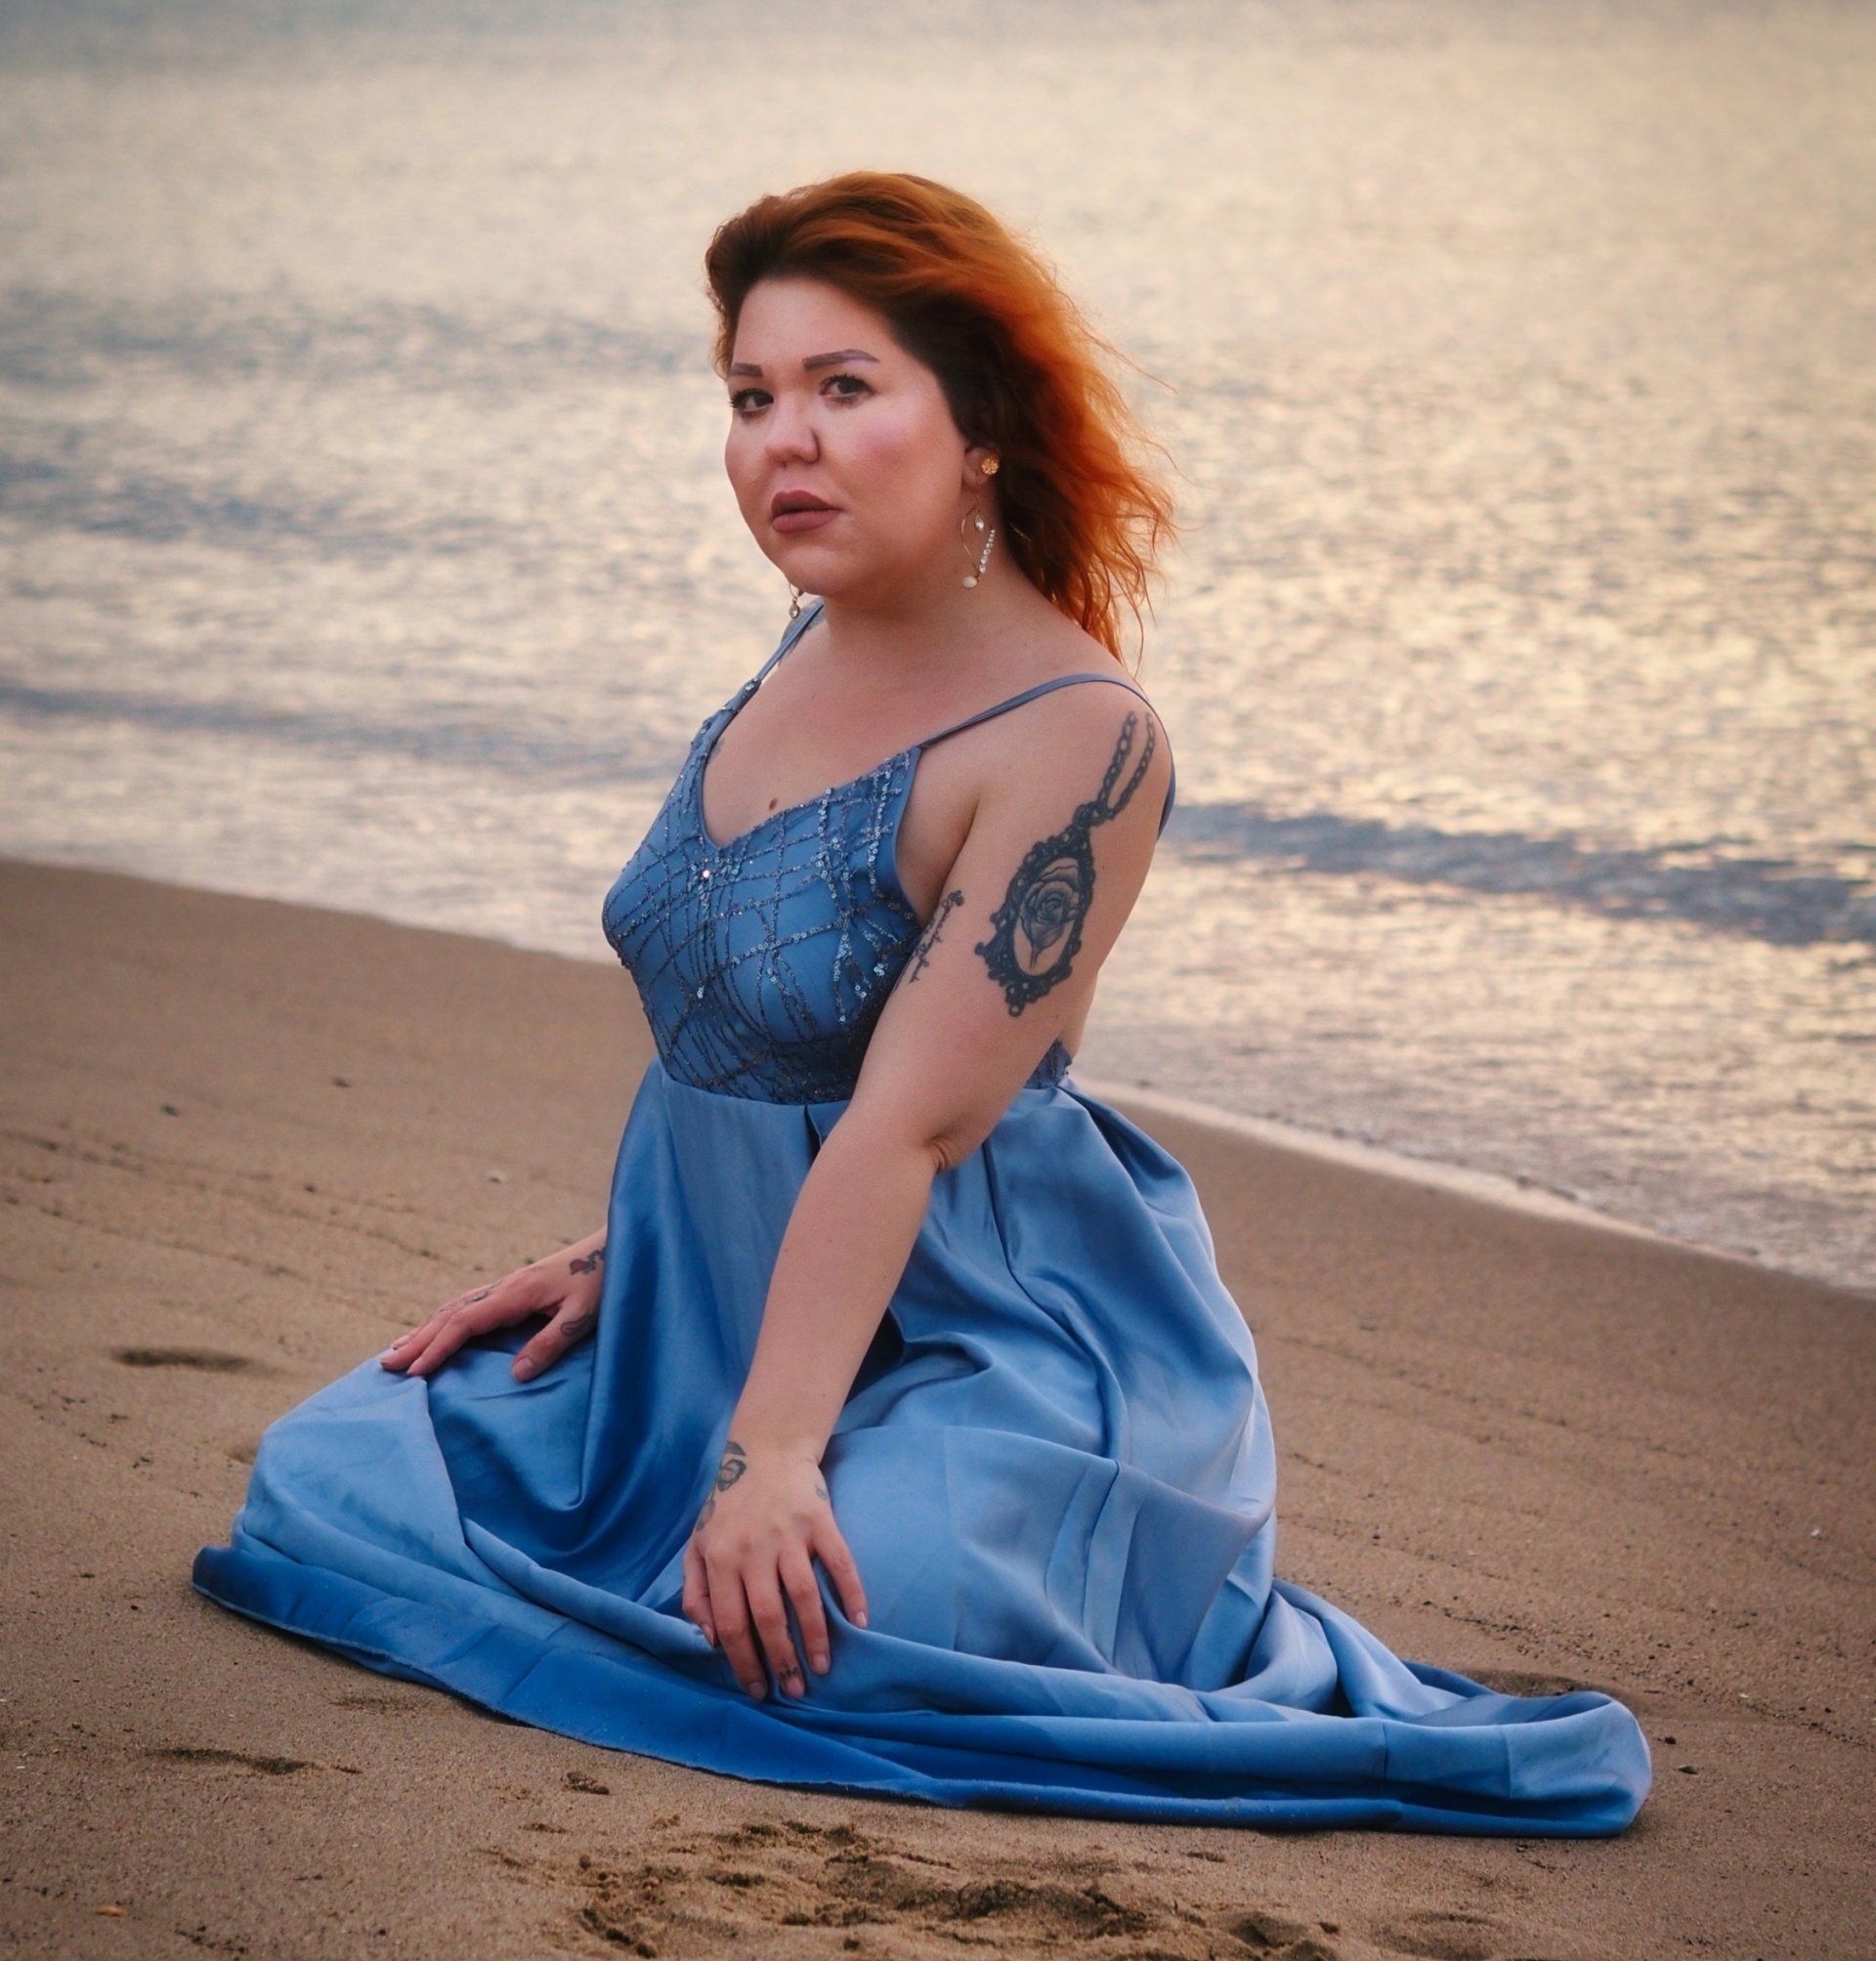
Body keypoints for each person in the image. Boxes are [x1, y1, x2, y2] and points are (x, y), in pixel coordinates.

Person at [192, 171, 1651, 1834]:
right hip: (720, 1317)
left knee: (831, 1615)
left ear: (982, 434)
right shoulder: (796, 649)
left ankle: (971, 1532)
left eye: (843, 388)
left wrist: (768, 1467)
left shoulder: (1077, 738)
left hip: (998, 1343)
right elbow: (746, 1040)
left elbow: (906, 1123)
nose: (780, 441)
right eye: (750, 398)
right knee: (330, 1469)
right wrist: (634, 1250)